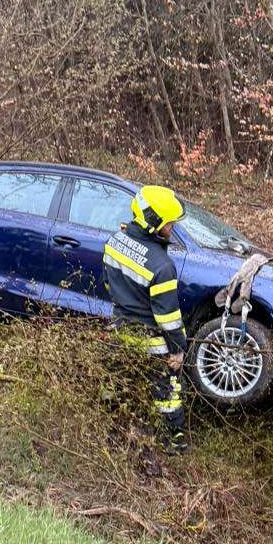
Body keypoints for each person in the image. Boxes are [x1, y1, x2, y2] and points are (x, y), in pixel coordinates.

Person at [103, 185, 189, 453]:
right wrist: (178, 349)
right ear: (153, 222)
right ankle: (173, 440)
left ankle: (111, 428)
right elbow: (169, 318)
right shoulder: (162, 266)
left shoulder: (115, 240)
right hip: (152, 340)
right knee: (167, 392)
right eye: (169, 223)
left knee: (118, 380)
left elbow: (108, 284)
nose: (172, 228)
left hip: (120, 329)